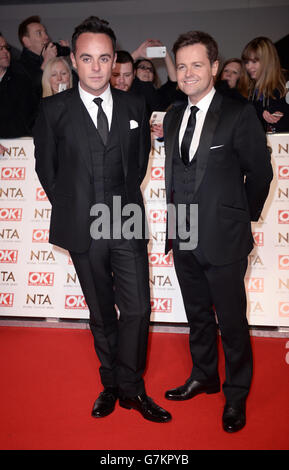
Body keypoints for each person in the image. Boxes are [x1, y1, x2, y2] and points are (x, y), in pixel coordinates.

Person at [33, 16, 171, 424]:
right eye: (88, 58)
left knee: (138, 309)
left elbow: (141, 159)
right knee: (101, 312)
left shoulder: (134, 104)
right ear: (74, 60)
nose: (96, 67)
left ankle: (131, 384)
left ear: (114, 61)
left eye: (104, 58)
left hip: (126, 218)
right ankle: (111, 382)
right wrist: (76, 207)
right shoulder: (53, 109)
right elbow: (47, 169)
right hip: (83, 226)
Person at [163, 30, 273, 433]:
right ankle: (204, 375)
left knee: (232, 321)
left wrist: (239, 217)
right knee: (197, 316)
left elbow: (260, 174)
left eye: (198, 64)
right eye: (182, 65)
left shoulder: (239, 113)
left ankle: (236, 393)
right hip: (184, 235)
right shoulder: (174, 114)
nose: (189, 73)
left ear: (213, 67)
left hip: (224, 239)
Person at [239, 36, 289, 132]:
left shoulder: (286, 83)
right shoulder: (248, 88)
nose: (249, 66)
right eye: (246, 62)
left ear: (267, 60)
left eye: (254, 61)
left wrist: (283, 116)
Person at [17, 15, 70, 100]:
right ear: (26, 41)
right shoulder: (18, 68)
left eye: (45, 32)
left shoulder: (50, 60)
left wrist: (62, 63)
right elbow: (30, 93)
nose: (46, 37)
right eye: (39, 33)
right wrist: (46, 62)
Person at [0, 32, 37, 138]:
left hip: (18, 146)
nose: (5, 52)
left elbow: (29, 119)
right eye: (0, 48)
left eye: (6, 48)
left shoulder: (22, 82)